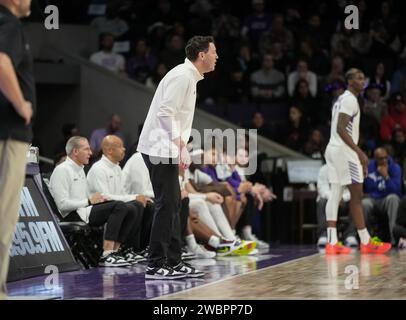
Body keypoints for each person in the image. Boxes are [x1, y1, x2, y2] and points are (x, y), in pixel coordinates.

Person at [137, 36, 218, 280]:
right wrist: (181, 146)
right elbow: (164, 113)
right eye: (214, 52)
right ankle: (155, 264)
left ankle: (173, 261)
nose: (217, 56)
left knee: (174, 204)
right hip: (158, 149)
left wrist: (181, 147)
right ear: (201, 55)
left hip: (167, 149)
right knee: (166, 205)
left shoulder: (190, 77)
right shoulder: (183, 75)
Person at [324, 68, 391, 254]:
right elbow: (340, 128)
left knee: (336, 192)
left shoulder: (341, 100)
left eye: (364, 78)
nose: (363, 81)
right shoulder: (350, 100)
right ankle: (366, 240)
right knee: (356, 196)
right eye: (359, 78)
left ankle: (332, 242)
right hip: (344, 152)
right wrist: (359, 153)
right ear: (350, 81)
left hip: (332, 149)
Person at [49, 136, 140, 267]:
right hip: (72, 214)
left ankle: (116, 250)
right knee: (119, 206)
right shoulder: (62, 170)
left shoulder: (79, 169)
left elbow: (85, 199)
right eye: (86, 149)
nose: (91, 153)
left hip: (84, 210)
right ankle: (107, 254)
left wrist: (98, 200)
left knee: (131, 208)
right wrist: (89, 201)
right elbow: (62, 205)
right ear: (75, 152)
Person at [0, 0, 34, 300]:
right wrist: (20, 104)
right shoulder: (9, 23)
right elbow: (1, 62)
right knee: (3, 217)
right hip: (8, 133)